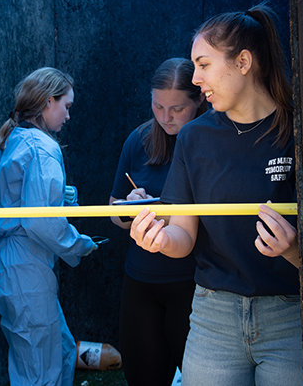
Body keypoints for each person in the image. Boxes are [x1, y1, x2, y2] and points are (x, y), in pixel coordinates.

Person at [129, 5, 303, 385]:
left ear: (243, 61)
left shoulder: (301, 128)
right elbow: (183, 238)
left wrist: (293, 248)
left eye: (204, 65)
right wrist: (157, 240)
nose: (196, 78)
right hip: (214, 316)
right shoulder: (194, 137)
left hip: (290, 314)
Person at [0, 67, 99, 386]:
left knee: (59, 351)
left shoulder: (10, 139)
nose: (68, 115)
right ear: (49, 101)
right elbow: (40, 221)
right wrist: (80, 245)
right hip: (27, 265)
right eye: (67, 105)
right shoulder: (42, 147)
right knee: (39, 372)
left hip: (5, 263)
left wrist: (62, 197)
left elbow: (15, 201)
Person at [108, 58, 206, 386]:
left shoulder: (210, 141)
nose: (165, 117)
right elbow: (113, 210)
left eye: (177, 108)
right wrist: (128, 208)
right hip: (141, 280)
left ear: (200, 100)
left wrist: (164, 213)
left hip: (195, 283)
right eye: (157, 105)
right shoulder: (139, 139)